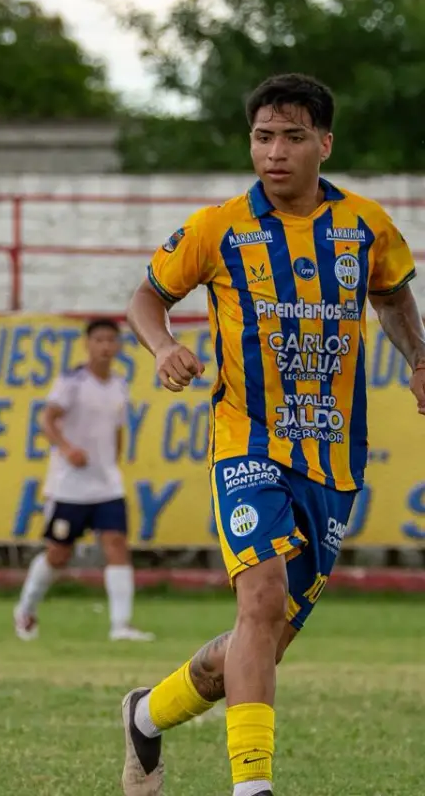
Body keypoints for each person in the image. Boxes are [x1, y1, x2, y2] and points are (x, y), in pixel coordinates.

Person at [119, 74, 425, 796]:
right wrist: (163, 348)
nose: (275, 152)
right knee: (257, 601)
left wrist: (419, 359)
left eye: (292, 136)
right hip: (246, 443)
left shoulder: (366, 226)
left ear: (324, 141)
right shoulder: (217, 227)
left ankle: (148, 714)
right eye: (263, 137)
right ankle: (252, 787)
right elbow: (145, 298)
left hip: (333, 458)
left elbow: (393, 298)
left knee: (258, 646)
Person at [13, 318, 154, 643]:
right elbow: (48, 420)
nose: (105, 347)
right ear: (87, 344)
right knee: (58, 554)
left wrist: (114, 464)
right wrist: (67, 449)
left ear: (118, 346)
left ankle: (121, 625)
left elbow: (118, 431)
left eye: (111, 340)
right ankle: (26, 609)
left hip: (106, 485)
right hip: (70, 485)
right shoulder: (71, 382)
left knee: (117, 546)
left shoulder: (119, 384)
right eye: (99, 340)